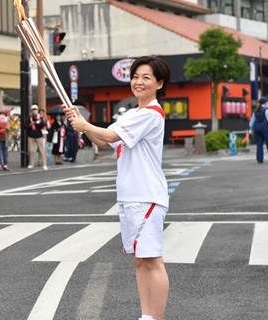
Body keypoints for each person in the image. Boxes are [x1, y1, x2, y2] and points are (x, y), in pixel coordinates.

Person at [65, 56, 170, 320]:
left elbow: (110, 135)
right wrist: (83, 123)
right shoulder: (133, 114)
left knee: (153, 261)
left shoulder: (151, 114)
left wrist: (84, 125)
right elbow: (103, 141)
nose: (139, 82)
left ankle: (155, 317)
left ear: (159, 83)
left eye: (146, 77)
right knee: (140, 260)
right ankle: (146, 315)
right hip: (130, 196)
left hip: (147, 196)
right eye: (135, 76)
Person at [249, 96, 268, 163]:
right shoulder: (266, 110)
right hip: (265, 128)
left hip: (256, 128)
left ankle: (260, 159)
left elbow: (252, 121)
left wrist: (250, 128)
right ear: (265, 102)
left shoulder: (255, 110)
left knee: (259, 144)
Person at [26, 104, 48, 170]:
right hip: (31, 135)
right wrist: (31, 124)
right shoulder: (29, 117)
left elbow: (44, 124)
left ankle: (44, 164)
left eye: (35, 109)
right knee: (31, 150)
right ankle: (31, 164)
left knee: (41, 150)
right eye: (33, 110)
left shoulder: (40, 117)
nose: (34, 111)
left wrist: (40, 121)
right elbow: (25, 125)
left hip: (39, 135)